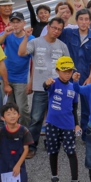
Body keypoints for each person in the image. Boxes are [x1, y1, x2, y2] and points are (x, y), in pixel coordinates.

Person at [18, 17, 71, 158]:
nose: (56, 31)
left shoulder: (62, 46)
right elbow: (21, 53)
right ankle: (31, 146)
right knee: (36, 118)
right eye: (54, 28)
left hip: (57, 87)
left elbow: (68, 66)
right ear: (48, 27)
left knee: (57, 116)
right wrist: (26, 37)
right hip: (40, 88)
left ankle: (53, 141)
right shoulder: (35, 42)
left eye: (59, 29)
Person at [40, 56, 86, 182]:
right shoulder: (53, 83)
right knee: (53, 151)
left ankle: (75, 181)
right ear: (57, 71)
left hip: (68, 125)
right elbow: (45, 86)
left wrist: (76, 125)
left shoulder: (73, 87)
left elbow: (74, 108)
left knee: (71, 152)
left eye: (70, 71)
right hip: (52, 124)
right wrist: (46, 83)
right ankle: (54, 177)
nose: (67, 74)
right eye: (64, 71)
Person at [0, 11, 33, 127]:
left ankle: (25, 130)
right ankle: (9, 130)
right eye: (13, 22)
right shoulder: (7, 34)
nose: (15, 25)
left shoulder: (30, 38)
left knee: (22, 108)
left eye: (18, 22)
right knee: (7, 107)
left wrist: (31, 82)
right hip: (5, 77)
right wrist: (5, 35)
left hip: (21, 78)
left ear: (24, 23)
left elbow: (35, 62)